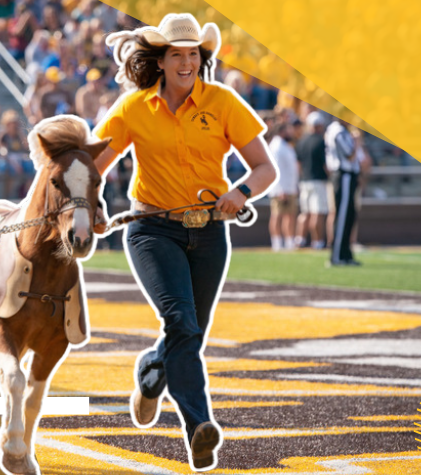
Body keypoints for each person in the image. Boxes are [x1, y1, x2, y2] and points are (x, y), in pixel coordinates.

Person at [92, 14, 277, 471]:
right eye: (177, 54)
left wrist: (241, 192)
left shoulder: (223, 101)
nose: (187, 62)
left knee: (188, 332)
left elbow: (265, 169)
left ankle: (151, 372)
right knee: (182, 321)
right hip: (152, 231)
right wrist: (91, 206)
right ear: (160, 60)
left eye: (193, 53)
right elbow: (91, 167)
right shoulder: (132, 108)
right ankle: (198, 427)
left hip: (211, 232)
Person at [325, 116, 359, 265]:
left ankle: (346, 254)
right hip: (342, 175)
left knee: (350, 215)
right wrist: (357, 142)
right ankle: (337, 255)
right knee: (342, 216)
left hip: (348, 176)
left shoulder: (342, 131)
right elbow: (349, 155)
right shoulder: (337, 131)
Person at [294, 111, 329, 249]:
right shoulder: (321, 142)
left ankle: (300, 239)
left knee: (305, 213)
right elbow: (325, 165)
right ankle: (317, 241)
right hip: (318, 180)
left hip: (304, 181)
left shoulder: (301, 141)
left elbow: (298, 165)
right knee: (317, 213)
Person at [267, 121, 299, 251]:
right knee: (277, 214)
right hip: (280, 189)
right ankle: (277, 243)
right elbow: (276, 169)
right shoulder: (276, 147)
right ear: (282, 131)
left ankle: (289, 241)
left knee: (289, 215)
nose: (291, 132)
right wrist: (281, 189)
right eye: (288, 130)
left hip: (289, 187)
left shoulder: (285, 145)